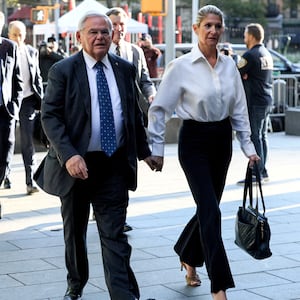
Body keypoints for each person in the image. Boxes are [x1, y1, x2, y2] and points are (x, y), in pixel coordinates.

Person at [33, 11, 155, 300]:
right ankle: (75, 285)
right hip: (76, 165)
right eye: (93, 32)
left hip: (113, 164)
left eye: (105, 32)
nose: (100, 37)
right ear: (79, 37)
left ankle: (123, 296)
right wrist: (70, 155)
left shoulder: (124, 69)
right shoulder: (63, 70)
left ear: (113, 35)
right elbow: (50, 118)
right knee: (75, 233)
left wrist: (146, 152)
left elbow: (132, 115)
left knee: (114, 235)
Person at [147, 5, 260, 300]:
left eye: (217, 26)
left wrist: (249, 148)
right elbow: (159, 110)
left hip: (221, 142)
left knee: (207, 210)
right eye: (207, 25)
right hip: (194, 141)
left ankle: (187, 255)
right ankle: (219, 286)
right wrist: (156, 149)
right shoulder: (181, 66)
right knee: (211, 211)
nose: (213, 31)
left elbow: (239, 109)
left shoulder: (228, 66)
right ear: (195, 29)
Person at [106, 7, 156, 232]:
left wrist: (151, 94)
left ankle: (119, 216)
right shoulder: (98, 48)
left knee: (125, 168)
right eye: (114, 24)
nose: (118, 29)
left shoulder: (134, 51)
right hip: (105, 120)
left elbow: (144, 80)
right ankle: (103, 210)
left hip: (129, 121)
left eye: (122, 24)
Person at [7, 20, 44, 194]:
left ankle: (31, 181)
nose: (18, 38)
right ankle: (5, 176)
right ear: (9, 35)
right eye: (14, 34)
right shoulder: (4, 51)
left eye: (20, 34)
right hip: (8, 102)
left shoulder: (31, 51)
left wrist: (42, 100)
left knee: (28, 141)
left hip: (28, 100)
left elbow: (37, 76)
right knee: (6, 141)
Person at [237, 23, 273, 185]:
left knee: (254, 137)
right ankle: (263, 171)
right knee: (262, 137)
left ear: (251, 36)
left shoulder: (250, 55)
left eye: (245, 34)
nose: (244, 38)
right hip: (266, 99)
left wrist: (244, 75)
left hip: (255, 101)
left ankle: (256, 174)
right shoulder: (265, 53)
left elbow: (236, 74)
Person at [0, 11, 23, 190]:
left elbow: (18, 81)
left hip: (5, 111)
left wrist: (14, 108)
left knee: (5, 154)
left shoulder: (9, 47)